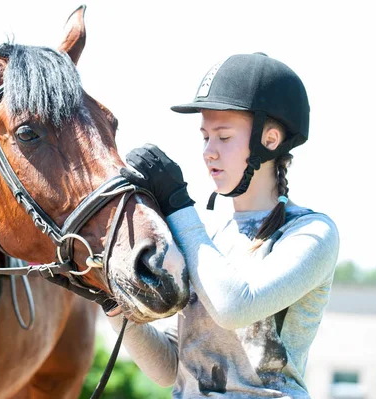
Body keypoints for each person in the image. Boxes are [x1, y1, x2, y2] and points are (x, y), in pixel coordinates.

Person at [107, 52, 340, 398]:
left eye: (224, 137)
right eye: (205, 137)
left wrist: (178, 204)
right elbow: (171, 369)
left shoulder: (311, 234)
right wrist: (111, 302)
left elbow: (235, 307)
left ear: (270, 140)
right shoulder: (209, 239)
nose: (208, 152)